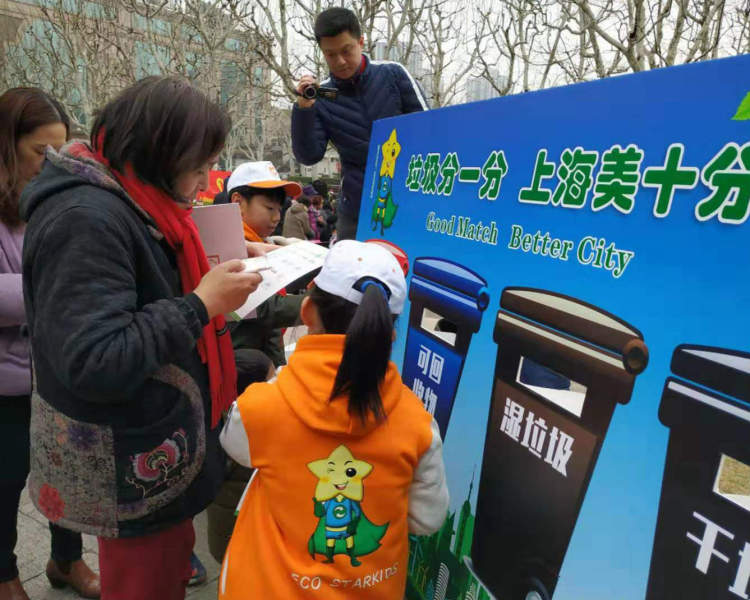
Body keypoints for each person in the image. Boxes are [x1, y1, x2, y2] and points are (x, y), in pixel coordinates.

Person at [19, 76, 263, 600]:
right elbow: (94, 359)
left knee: (162, 572)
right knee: (143, 583)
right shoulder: (85, 219)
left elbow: (155, 256)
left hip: (154, 452)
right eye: (198, 166)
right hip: (128, 466)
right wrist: (200, 305)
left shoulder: (130, 194)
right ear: (160, 153)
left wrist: (239, 249)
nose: (203, 181)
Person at [218, 240, 449, 599]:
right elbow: (427, 519)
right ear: (389, 334)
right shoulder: (418, 424)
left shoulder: (263, 406)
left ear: (307, 312)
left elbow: (234, 445)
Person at [0, 87, 100, 600]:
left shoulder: (57, 203)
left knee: (67, 473)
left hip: (59, 373)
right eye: (41, 150)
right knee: (7, 480)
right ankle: (4, 574)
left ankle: (66, 560)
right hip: (9, 384)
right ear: (6, 146)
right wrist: (58, 286)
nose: (52, 162)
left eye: (60, 150)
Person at [292, 7, 429, 240]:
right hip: (356, 209)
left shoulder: (393, 74)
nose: (340, 61)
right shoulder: (322, 96)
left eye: (347, 50)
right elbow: (309, 156)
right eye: (330, 54)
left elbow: (430, 130)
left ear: (361, 42)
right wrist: (304, 109)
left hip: (409, 201)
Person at [226, 161, 304, 368]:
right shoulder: (230, 248)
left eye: (279, 209)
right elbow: (263, 307)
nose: (277, 217)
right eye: (269, 208)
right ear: (238, 202)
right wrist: (319, 304)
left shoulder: (261, 242)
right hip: (246, 365)